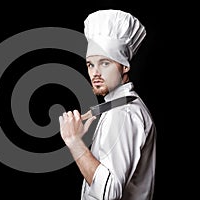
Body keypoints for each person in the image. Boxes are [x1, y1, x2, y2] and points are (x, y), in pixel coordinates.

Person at [58, 9, 157, 200]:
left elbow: (109, 193)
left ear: (124, 65)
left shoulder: (123, 114)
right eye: (90, 64)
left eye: (104, 63)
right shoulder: (116, 107)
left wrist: (75, 143)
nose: (95, 73)